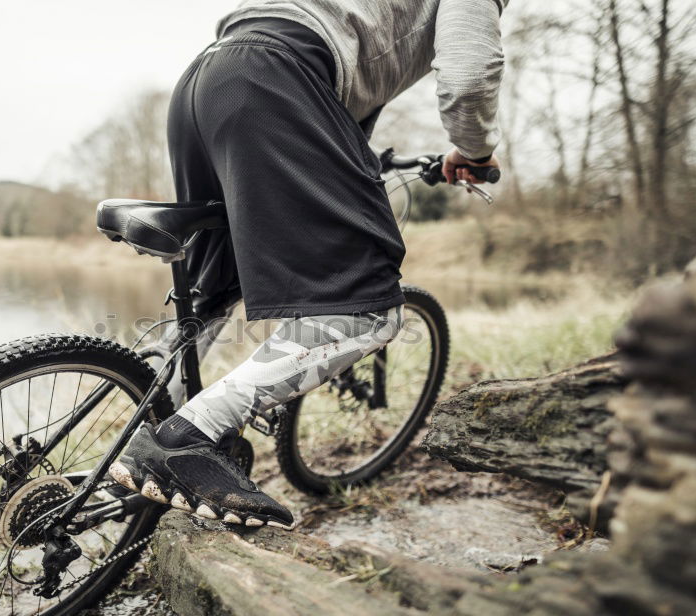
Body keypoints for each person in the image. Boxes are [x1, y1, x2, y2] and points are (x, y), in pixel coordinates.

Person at [109, 0, 505, 528]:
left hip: (209, 75)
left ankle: (128, 436)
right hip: (274, 77)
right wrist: (474, 150)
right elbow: (470, 74)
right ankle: (186, 439)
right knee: (365, 309)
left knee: (213, 292)